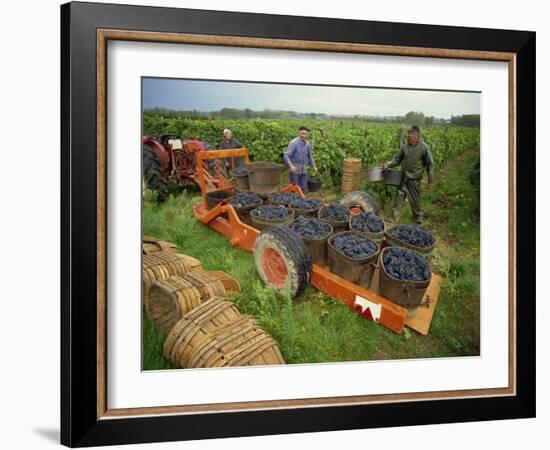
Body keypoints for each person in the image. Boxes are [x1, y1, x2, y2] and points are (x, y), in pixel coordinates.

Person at [382, 125, 434, 224]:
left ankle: (418, 217)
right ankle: (394, 217)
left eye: (410, 135)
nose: (408, 137)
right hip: (403, 177)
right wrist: (387, 164)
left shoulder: (424, 148)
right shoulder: (405, 147)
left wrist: (430, 181)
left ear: (416, 135)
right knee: (399, 197)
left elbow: (430, 165)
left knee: (415, 199)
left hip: (414, 179)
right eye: (407, 134)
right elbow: (397, 159)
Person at [283, 126, 318, 192]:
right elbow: (286, 155)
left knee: (303, 187)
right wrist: (291, 166)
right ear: (299, 133)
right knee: (294, 188)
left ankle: (301, 200)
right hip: (294, 170)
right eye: (302, 133)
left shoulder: (307, 144)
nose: (304, 135)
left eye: (305, 134)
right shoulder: (293, 143)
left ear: (308, 135)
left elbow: (310, 156)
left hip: (303, 169)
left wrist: (313, 166)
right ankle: (292, 200)